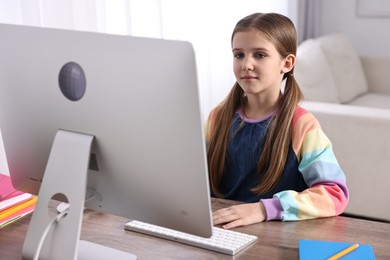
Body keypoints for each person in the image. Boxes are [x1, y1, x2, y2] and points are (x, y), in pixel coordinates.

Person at [206, 13, 349, 229]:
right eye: (239, 55)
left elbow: (334, 194)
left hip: (277, 237)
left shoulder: (302, 125)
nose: (246, 64)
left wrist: (264, 209)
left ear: (287, 63)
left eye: (260, 55)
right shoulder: (217, 117)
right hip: (222, 230)